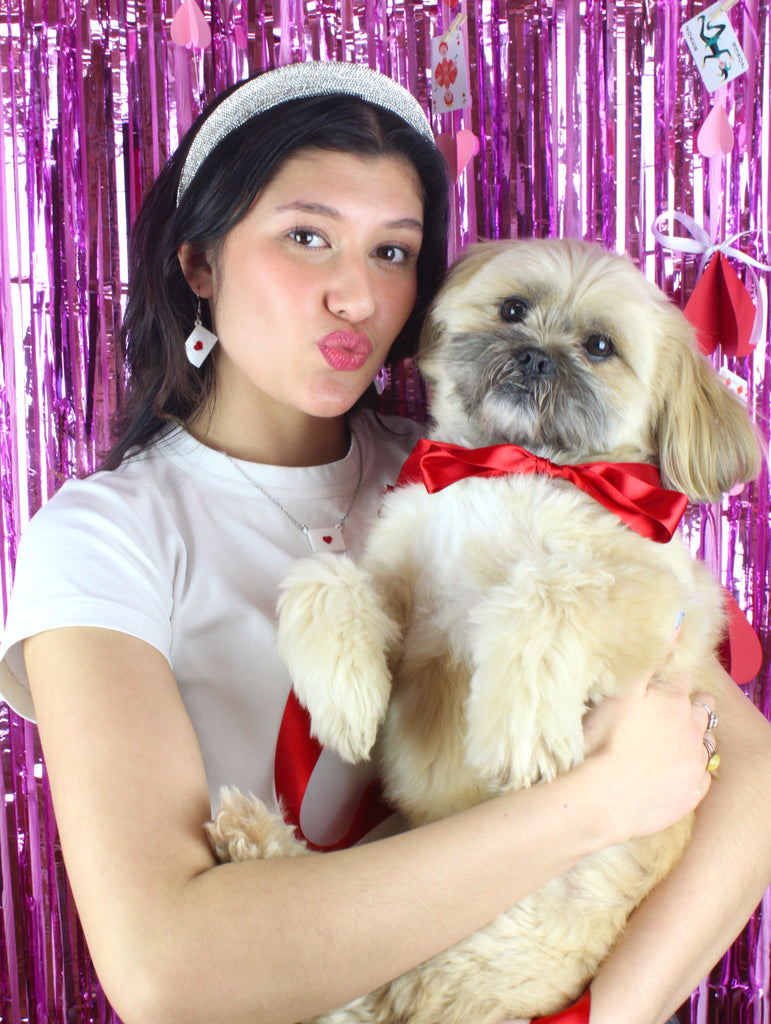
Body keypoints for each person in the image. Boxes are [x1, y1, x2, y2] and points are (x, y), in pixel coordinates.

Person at [0, 60, 769, 1024]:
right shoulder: (105, 534)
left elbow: (749, 773)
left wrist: (614, 1013)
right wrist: (593, 806)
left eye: (393, 254)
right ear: (200, 263)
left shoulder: (478, 469)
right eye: (307, 237)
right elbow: (167, 972)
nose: (354, 297)